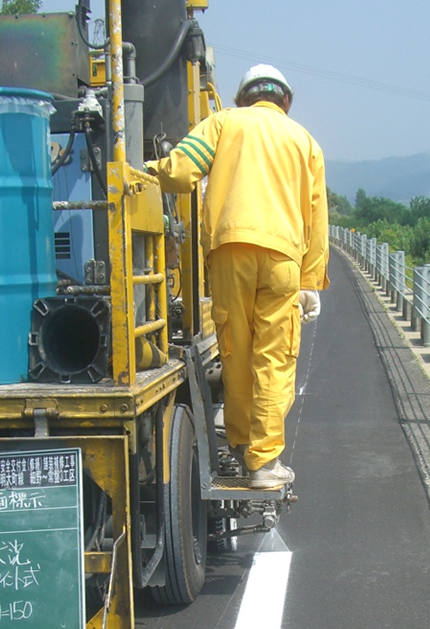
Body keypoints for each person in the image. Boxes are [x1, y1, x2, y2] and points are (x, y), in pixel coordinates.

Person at [152, 64, 329, 489]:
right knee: (274, 357)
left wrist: (146, 169)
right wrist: (309, 281)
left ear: (242, 97)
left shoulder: (222, 122)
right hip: (284, 258)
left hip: (229, 252)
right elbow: (317, 219)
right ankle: (264, 464)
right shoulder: (305, 141)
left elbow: (178, 174)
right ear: (285, 100)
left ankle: (238, 444)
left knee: (235, 352)